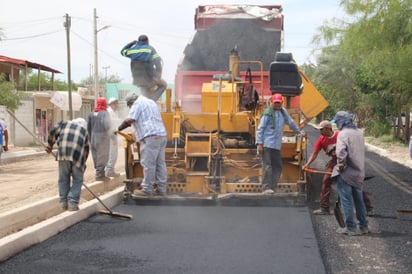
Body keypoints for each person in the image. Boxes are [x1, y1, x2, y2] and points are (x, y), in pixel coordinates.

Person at [303, 120, 374, 216]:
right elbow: (315, 153)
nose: (320, 131)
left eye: (321, 129)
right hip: (334, 162)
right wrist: (307, 164)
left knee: (354, 184)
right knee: (326, 181)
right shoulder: (321, 139)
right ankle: (324, 208)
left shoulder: (340, 136)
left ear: (328, 129)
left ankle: (368, 208)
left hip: (346, 161)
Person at [117, 93, 167, 196]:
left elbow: (130, 119)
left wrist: (118, 128)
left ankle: (147, 190)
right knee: (160, 164)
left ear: (131, 102)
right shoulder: (151, 102)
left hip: (150, 137)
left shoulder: (138, 103)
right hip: (161, 136)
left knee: (148, 164)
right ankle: (162, 189)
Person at [256, 93, 304, 193]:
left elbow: (290, 122)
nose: (277, 105)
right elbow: (260, 129)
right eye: (275, 103)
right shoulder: (267, 113)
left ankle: (273, 187)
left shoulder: (283, 112)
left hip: (276, 145)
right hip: (267, 144)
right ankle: (266, 187)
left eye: (279, 103)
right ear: (272, 103)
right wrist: (260, 144)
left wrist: (299, 132)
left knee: (278, 166)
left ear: (282, 102)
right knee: (267, 166)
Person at [331, 111, 369, 236]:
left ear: (342, 121)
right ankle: (363, 226)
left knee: (346, 200)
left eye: (337, 122)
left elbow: (341, 153)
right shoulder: (359, 133)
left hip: (347, 173)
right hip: (359, 173)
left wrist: (340, 166)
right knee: (359, 200)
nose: (337, 124)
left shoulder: (343, 134)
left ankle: (350, 228)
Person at [46, 118, 89, 211]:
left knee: (63, 178)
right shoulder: (85, 131)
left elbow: (53, 131)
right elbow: (86, 149)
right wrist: (83, 163)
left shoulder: (64, 124)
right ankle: (72, 203)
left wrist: (50, 145)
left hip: (63, 154)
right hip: (77, 156)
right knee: (78, 180)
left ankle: (63, 203)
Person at [121, 34, 167, 102]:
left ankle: (147, 101)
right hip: (149, 78)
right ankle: (151, 101)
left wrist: (131, 44)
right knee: (164, 85)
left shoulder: (132, 50)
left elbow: (122, 51)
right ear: (147, 41)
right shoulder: (150, 49)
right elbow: (158, 63)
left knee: (145, 92)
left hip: (137, 79)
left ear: (138, 41)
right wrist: (158, 76)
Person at [87, 98, 111, 181]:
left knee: (96, 155)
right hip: (102, 137)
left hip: (93, 137)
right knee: (103, 155)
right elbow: (108, 126)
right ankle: (99, 175)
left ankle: (99, 172)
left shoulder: (91, 114)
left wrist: (90, 139)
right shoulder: (105, 113)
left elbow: (88, 128)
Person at [105, 97, 121, 177]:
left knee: (113, 153)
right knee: (112, 153)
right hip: (111, 135)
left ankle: (110, 169)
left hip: (113, 134)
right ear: (111, 104)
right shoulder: (108, 112)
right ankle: (109, 170)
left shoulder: (114, 112)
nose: (117, 105)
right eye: (115, 103)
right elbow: (111, 123)